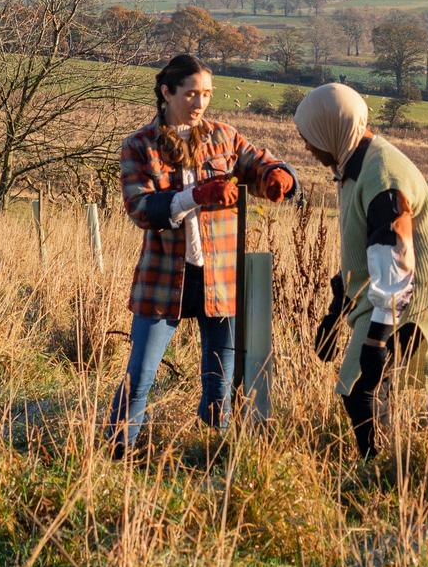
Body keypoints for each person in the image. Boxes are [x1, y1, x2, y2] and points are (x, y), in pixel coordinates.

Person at [108, 54, 297, 455]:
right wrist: (196, 195)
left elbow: (260, 162)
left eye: (207, 94)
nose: (200, 103)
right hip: (164, 279)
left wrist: (279, 176)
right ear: (166, 92)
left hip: (219, 276)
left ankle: (212, 452)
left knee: (220, 379)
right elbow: (140, 208)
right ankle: (117, 452)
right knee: (141, 373)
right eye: (192, 93)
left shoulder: (224, 138)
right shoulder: (139, 146)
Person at [294, 82, 428, 460]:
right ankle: (387, 461)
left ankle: (385, 469)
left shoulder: (383, 175)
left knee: (363, 385)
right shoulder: (355, 167)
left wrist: (376, 340)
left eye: (310, 138)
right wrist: (337, 311)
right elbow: (362, 251)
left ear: (331, 128)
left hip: (418, 290)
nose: (307, 147)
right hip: (397, 285)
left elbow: (395, 259)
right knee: (364, 389)